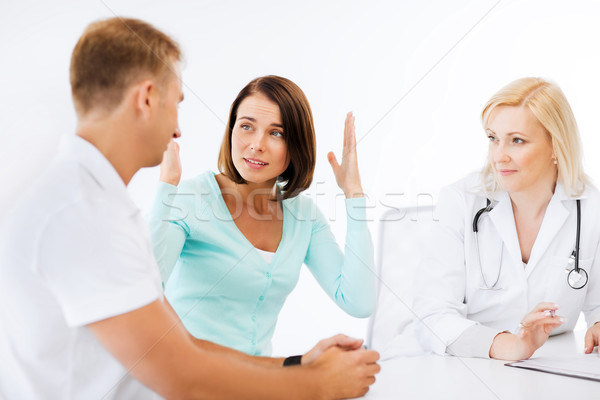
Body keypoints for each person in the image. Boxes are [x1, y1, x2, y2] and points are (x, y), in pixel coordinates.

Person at [0, 17, 380, 399]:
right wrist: (315, 383)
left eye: (276, 133)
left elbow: (178, 346)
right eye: (176, 104)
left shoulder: (96, 203)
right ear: (147, 98)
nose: (179, 128)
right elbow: (180, 372)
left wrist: (295, 365)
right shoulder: (84, 213)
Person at [149, 75, 377, 355]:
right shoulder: (189, 198)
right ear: (231, 130)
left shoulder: (304, 215)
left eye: (276, 133)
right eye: (247, 127)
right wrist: (167, 185)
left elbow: (359, 301)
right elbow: (144, 289)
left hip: (260, 383)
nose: (257, 144)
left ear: (295, 146)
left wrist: (354, 195)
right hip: (189, 383)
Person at [412, 77, 600, 360]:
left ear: (556, 146)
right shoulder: (461, 201)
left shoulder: (590, 207)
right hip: (466, 363)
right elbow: (431, 316)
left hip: (554, 366)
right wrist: (511, 345)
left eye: (517, 141)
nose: (498, 157)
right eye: (493, 138)